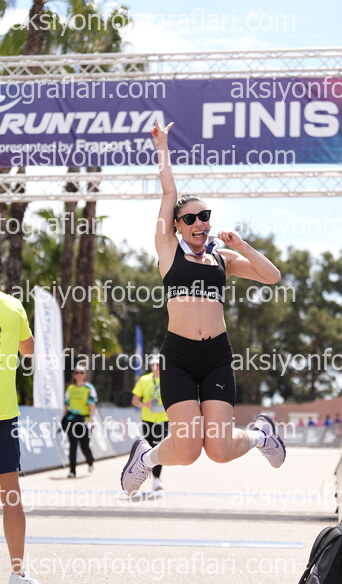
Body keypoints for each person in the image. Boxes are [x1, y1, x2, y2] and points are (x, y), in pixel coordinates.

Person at [121, 121, 286, 497]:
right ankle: (145, 459)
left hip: (216, 356)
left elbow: (272, 276)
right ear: (177, 226)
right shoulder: (168, 250)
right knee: (188, 450)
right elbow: (169, 190)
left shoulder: (222, 258)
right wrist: (162, 148)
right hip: (178, 356)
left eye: (204, 216)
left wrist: (241, 246)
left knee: (220, 450)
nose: (200, 223)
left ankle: (261, 436)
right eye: (190, 218)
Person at [0, 291, 40, 584]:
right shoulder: (13, 306)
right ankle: (17, 576)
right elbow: (29, 350)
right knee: (10, 495)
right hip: (3, 414)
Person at [131, 355, 169, 492]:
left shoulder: (168, 379)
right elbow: (134, 400)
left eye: (158, 364)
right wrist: (143, 404)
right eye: (153, 364)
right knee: (149, 448)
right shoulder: (144, 380)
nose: (155, 367)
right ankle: (148, 476)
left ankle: (157, 479)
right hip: (147, 419)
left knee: (158, 448)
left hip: (163, 419)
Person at [63, 365, 97, 478]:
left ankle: (90, 461)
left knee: (84, 446)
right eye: (77, 372)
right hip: (71, 420)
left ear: (85, 375)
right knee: (72, 446)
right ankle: (72, 471)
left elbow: (92, 405)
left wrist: (91, 420)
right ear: (73, 375)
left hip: (84, 421)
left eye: (81, 372)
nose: (79, 375)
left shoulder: (89, 388)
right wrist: (64, 418)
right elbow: (66, 405)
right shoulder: (70, 388)